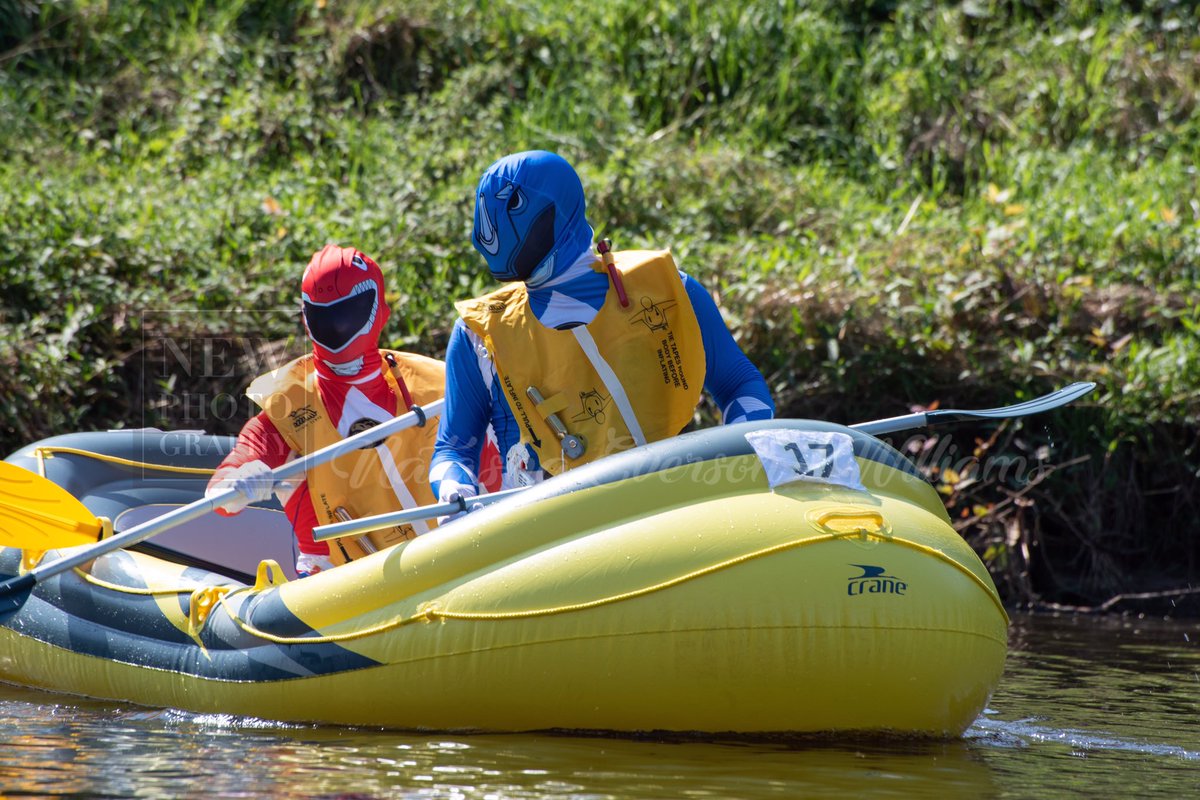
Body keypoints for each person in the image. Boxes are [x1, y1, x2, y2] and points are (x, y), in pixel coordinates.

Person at [430, 150, 774, 509]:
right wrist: (457, 494)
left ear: (554, 210)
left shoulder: (669, 288)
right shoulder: (477, 335)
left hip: (673, 511)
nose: (484, 237)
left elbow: (739, 385)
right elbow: (452, 449)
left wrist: (746, 452)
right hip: (547, 534)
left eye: (505, 210)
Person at [206, 244, 473, 576]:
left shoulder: (438, 381)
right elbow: (221, 492)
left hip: (458, 557)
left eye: (348, 312)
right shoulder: (286, 408)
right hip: (346, 587)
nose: (337, 327)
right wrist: (239, 483)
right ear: (307, 319)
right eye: (323, 314)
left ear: (381, 311)